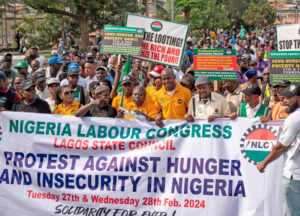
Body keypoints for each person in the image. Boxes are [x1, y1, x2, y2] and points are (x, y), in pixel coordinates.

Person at [257, 83, 300, 216]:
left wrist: (264, 162)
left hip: (294, 176)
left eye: (289, 98)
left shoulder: (294, 118)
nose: (285, 101)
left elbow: (281, 146)